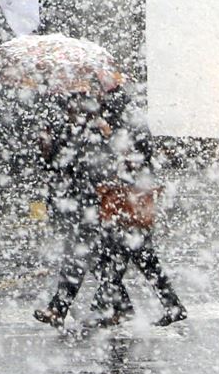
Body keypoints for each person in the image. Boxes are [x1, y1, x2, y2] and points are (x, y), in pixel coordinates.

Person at [90, 87, 187, 327]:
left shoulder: (123, 127)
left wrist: (108, 135)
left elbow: (131, 158)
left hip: (128, 199)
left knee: (117, 256)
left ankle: (114, 306)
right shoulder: (131, 121)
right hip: (131, 199)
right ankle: (117, 306)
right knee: (131, 256)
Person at [34, 90, 114, 327]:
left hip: (88, 207)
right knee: (97, 262)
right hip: (73, 206)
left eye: (74, 109)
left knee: (76, 258)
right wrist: (46, 148)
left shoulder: (97, 134)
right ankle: (119, 304)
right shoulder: (69, 132)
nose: (69, 113)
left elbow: (93, 171)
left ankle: (58, 309)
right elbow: (55, 167)